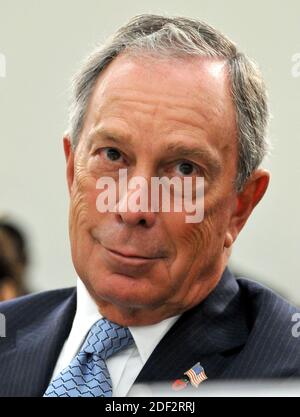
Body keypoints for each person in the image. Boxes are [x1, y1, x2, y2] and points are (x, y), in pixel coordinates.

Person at [0, 14, 299, 397]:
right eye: (112, 155)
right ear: (72, 168)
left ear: (241, 205)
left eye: (184, 169)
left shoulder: (287, 373)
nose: (133, 205)